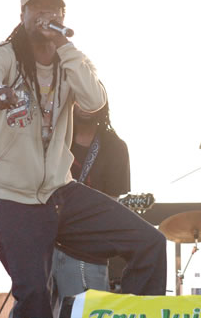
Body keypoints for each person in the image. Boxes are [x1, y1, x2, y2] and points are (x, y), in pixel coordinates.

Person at [0, 0, 166, 318]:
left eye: (54, 9)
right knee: (34, 296)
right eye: (38, 9)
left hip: (59, 192)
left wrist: (65, 47)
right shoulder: (4, 56)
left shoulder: (71, 60)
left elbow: (93, 100)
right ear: (23, 15)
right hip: (13, 197)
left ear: (63, 16)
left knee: (149, 242)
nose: (46, 15)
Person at [49, 99, 131, 315]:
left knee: (85, 310)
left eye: (90, 99)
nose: (85, 107)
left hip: (86, 249)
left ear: (101, 104)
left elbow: (112, 203)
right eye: (79, 99)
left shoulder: (115, 147)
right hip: (45, 240)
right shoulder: (53, 138)